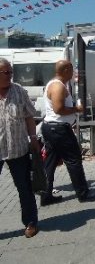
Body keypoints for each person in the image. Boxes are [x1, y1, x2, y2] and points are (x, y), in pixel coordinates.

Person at [41, 60, 95, 205]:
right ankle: (83, 193)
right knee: (74, 160)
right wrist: (77, 109)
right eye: (72, 69)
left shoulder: (56, 84)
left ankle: (46, 195)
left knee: (50, 163)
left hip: (52, 127)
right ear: (66, 70)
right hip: (59, 129)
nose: (74, 72)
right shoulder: (58, 86)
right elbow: (58, 109)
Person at [0, 58, 39, 238]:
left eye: (10, 72)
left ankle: (31, 222)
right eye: (5, 73)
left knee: (24, 188)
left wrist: (33, 138)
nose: (9, 76)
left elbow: (29, 117)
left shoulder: (19, 91)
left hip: (18, 149)